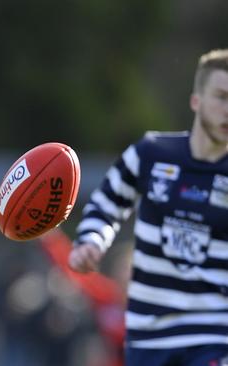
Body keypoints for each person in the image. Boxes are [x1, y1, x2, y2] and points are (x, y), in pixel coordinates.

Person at [68, 48, 228, 366]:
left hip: (213, 336)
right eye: (221, 97)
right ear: (196, 100)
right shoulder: (150, 153)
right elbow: (106, 204)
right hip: (147, 337)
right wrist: (91, 241)